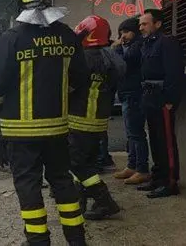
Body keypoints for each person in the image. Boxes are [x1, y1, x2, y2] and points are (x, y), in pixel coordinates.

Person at [0, 0, 90, 246]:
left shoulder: (12, 38)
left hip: (20, 132)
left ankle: (38, 240)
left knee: (28, 186)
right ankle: (77, 240)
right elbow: (81, 79)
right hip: (57, 128)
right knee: (62, 181)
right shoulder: (67, 36)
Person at [68, 15, 125, 220]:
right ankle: (78, 202)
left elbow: (68, 88)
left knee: (76, 164)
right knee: (86, 162)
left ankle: (104, 201)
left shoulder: (83, 58)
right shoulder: (111, 59)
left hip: (79, 120)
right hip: (98, 121)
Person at [136, 9, 186, 198]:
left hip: (162, 98)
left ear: (157, 24)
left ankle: (170, 182)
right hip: (150, 97)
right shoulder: (148, 44)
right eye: (140, 24)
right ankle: (157, 178)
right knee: (155, 141)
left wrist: (170, 100)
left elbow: (174, 73)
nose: (141, 27)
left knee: (166, 142)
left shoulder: (167, 42)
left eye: (145, 24)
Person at [112, 17, 151, 184]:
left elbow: (124, 64)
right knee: (131, 134)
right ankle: (132, 165)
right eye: (121, 33)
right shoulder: (131, 45)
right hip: (127, 94)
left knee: (136, 133)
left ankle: (142, 169)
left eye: (126, 32)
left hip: (135, 94)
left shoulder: (138, 46)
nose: (123, 37)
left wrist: (117, 49)